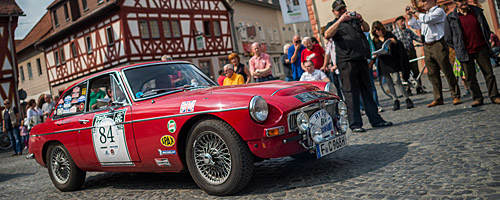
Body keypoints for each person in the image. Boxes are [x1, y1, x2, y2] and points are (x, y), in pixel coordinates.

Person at [324, 0, 392, 132]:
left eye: (343, 8)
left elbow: (366, 29)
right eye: (339, 10)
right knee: (351, 94)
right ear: (334, 12)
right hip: (346, 62)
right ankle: (355, 124)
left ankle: (376, 120)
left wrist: (361, 20)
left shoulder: (353, 21)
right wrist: (340, 20)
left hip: (360, 59)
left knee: (367, 91)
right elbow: (327, 35)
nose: (342, 11)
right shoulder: (332, 24)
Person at [444, 0, 500, 106]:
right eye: (460, 1)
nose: (463, 2)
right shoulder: (451, 17)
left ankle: (494, 96)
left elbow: (486, 28)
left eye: (464, 0)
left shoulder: (477, 11)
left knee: (489, 74)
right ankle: (477, 98)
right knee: (470, 77)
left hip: (481, 48)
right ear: (456, 2)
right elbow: (448, 38)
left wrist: (485, 40)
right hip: (464, 51)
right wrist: (457, 47)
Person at [407, 0, 461, 107]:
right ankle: (438, 98)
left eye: (424, 1)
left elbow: (428, 20)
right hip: (427, 45)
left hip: (438, 44)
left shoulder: (439, 11)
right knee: (432, 74)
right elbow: (416, 25)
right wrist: (409, 16)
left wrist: (415, 12)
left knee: (447, 70)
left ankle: (456, 95)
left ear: (432, 1)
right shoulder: (425, 14)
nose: (422, 4)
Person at [372, 21, 414, 110]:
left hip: (392, 61)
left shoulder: (389, 35)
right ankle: (395, 100)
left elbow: (398, 45)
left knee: (397, 80)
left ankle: (407, 98)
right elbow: (374, 50)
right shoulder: (375, 40)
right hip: (383, 62)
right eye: (375, 30)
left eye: (378, 29)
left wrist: (394, 42)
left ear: (381, 28)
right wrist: (376, 54)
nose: (377, 32)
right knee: (389, 82)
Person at [393, 15, 425, 95]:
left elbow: (416, 38)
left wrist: (423, 40)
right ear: (397, 23)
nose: (403, 23)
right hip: (402, 54)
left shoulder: (408, 31)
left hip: (411, 51)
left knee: (416, 70)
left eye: (404, 21)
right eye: (401, 22)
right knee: (405, 71)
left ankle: (419, 87)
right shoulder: (394, 33)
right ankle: (407, 89)